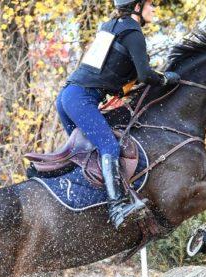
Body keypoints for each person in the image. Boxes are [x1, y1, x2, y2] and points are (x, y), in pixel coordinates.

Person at [56, 0, 181, 229]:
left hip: (67, 97)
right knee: (109, 148)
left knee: (87, 153)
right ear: (137, 7)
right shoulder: (133, 32)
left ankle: (87, 202)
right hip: (82, 98)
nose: (154, 8)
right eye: (150, 4)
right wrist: (166, 79)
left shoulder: (110, 26)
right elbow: (145, 75)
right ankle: (117, 207)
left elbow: (110, 72)